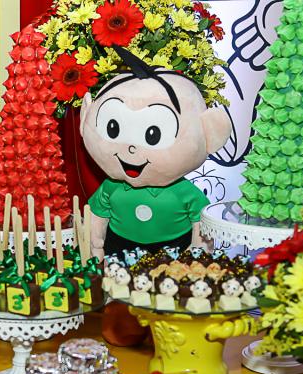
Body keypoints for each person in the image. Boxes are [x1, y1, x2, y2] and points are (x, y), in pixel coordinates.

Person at [81, 47, 232, 259]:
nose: (131, 148)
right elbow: (97, 217)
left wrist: (196, 255)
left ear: (211, 133)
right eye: (113, 129)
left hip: (174, 252)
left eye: (153, 135)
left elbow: (202, 224)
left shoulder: (184, 192)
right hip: (119, 249)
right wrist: (94, 250)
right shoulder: (110, 188)